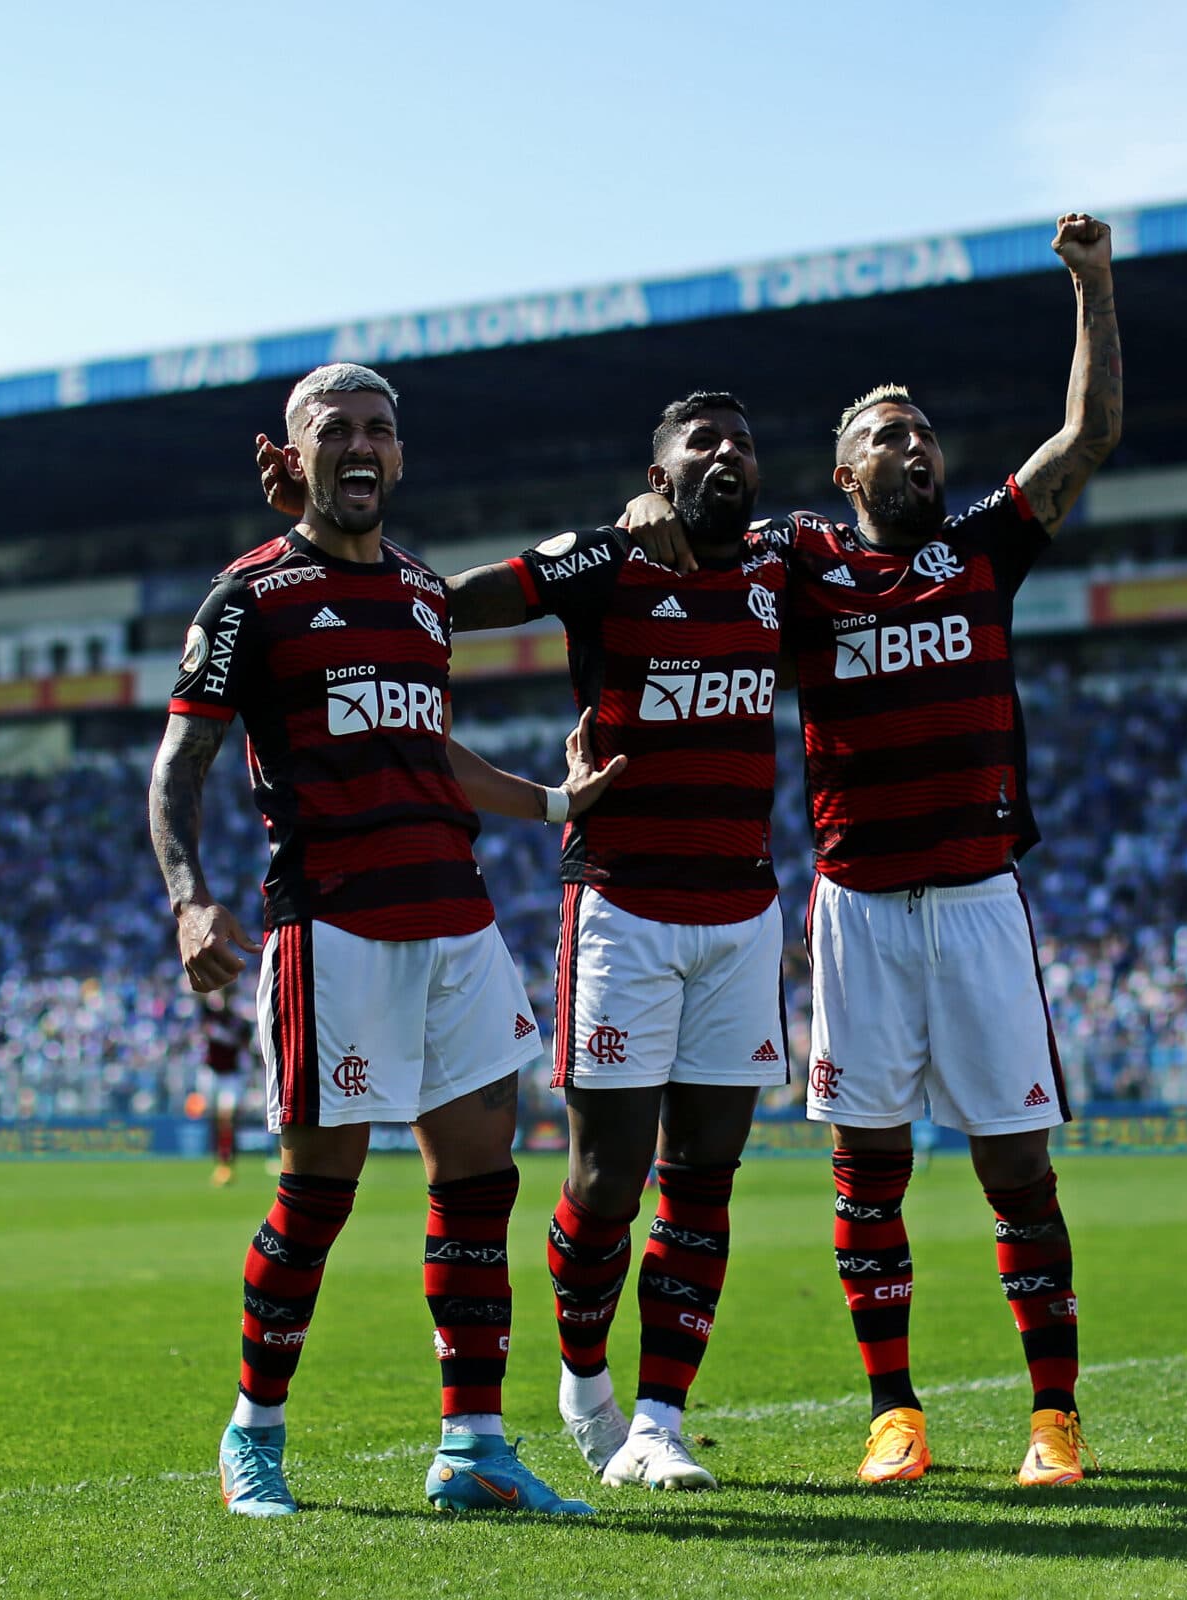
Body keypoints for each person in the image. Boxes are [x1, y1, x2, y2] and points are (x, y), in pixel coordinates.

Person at [618, 211, 1121, 1488]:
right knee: (869, 1164)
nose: (916, 448)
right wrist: (642, 504)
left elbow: (1089, 438)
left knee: (1018, 1164)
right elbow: (692, 534)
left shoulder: (981, 548)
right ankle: (894, 1410)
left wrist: (1094, 288)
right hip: (857, 905)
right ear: (848, 472)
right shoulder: (801, 560)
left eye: (924, 433)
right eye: (889, 437)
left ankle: (1053, 1419)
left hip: (978, 896)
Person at [261, 392, 789, 1492]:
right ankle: (585, 1377)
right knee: (604, 1182)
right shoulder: (606, 560)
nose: (728, 455)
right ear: (661, 470)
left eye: (743, 442)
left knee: (703, 1179)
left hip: (745, 909)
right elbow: (438, 607)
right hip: (623, 907)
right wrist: (317, 541)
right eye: (703, 443)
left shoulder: (791, 564)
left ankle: (658, 1420)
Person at [158, 362, 623, 1520]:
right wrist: (187, 895)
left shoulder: (421, 594)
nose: (359, 448)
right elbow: (181, 763)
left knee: (482, 1183)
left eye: (378, 430)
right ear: (299, 452)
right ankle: (251, 1435)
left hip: (457, 922)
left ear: (401, 457)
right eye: (336, 431)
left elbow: (435, 755)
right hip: (334, 924)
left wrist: (557, 804)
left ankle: (472, 1448)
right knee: (319, 1191)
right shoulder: (246, 597)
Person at [200, 988, 251, 1186]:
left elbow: (245, 1049)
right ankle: (220, 1160)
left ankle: (228, 1160)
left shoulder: (239, 1023)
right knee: (215, 1120)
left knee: (227, 1118)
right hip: (210, 1073)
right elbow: (199, 997)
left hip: (231, 1075)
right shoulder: (210, 1015)